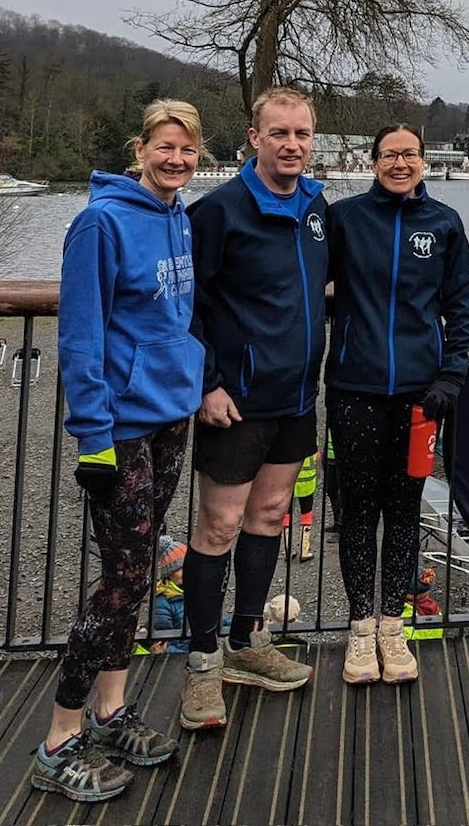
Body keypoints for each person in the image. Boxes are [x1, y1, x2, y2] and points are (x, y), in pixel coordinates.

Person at [33, 99, 205, 802]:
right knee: (122, 581)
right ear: (141, 149)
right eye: (164, 146)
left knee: (136, 574)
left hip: (170, 417)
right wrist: (93, 437)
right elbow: (80, 333)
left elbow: (176, 316)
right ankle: (58, 740)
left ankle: (110, 710)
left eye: (187, 149)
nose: (176, 159)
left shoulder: (179, 217)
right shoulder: (100, 223)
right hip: (121, 427)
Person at [180, 86, 327, 731]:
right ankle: (202, 662)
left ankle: (246, 642)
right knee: (218, 526)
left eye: (301, 134)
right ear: (254, 137)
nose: (291, 145)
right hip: (235, 400)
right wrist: (208, 382)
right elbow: (189, 303)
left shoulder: (317, 207)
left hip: (297, 397)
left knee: (269, 516)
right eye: (279, 134)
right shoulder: (219, 211)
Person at [326, 124, 469, 685]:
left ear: (423, 162)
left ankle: (394, 624)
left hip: (420, 393)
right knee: (358, 510)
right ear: (373, 162)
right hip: (354, 388)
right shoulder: (344, 218)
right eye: (389, 154)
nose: (399, 163)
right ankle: (360, 628)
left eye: (409, 154)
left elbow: (460, 305)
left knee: (406, 508)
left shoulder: (444, 223)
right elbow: (298, 278)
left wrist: (452, 374)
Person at [281, 451, 318, 562]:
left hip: (288, 482)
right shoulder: (310, 441)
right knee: (306, 514)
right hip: (307, 482)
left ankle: (288, 550)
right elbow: (316, 457)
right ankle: (304, 551)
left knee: (286, 514)